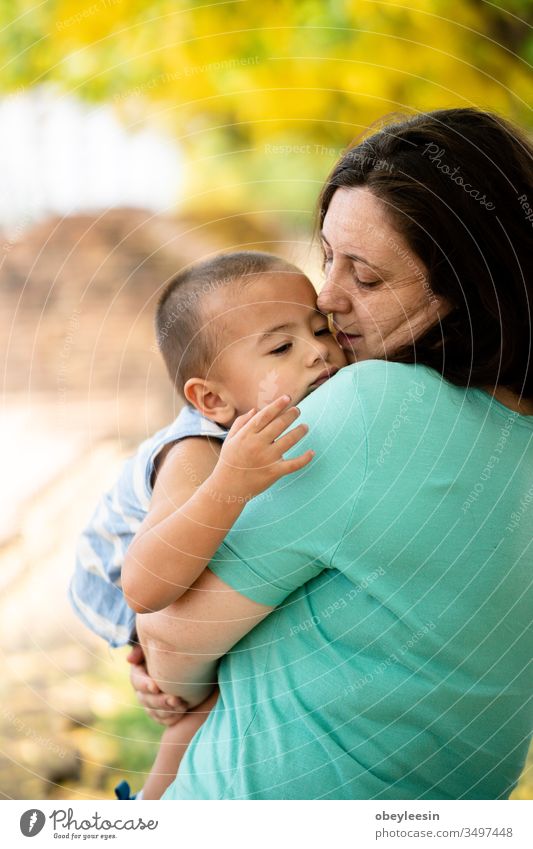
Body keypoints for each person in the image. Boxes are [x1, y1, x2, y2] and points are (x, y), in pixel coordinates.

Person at [129, 107, 532, 800]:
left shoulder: (378, 408)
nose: (326, 298)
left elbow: (170, 646)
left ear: (470, 289)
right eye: (326, 256)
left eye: (367, 279)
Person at [69, 250, 347, 798]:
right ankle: (150, 812)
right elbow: (146, 586)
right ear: (212, 398)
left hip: (169, 567)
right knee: (207, 698)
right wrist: (230, 484)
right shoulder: (198, 452)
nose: (319, 352)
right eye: (282, 346)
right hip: (125, 573)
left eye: (321, 329)